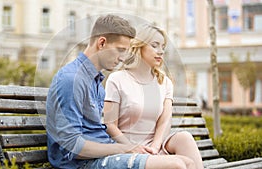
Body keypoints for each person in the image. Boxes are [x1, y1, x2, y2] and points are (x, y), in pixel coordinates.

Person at [46, 15, 195, 169]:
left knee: (188, 162)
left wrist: (127, 149)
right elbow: (71, 146)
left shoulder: (95, 81)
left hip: (103, 156)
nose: (123, 58)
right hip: (82, 164)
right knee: (176, 165)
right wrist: (124, 148)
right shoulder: (72, 79)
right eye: (120, 50)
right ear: (102, 43)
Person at [104, 24, 204, 169]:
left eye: (163, 46)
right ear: (140, 47)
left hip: (155, 147)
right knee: (179, 165)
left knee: (185, 138)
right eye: (155, 45)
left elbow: (165, 120)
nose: (161, 51)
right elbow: (110, 124)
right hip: (126, 149)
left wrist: (155, 148)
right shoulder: (117, 79)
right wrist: (132, 148)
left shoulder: (165, 82)